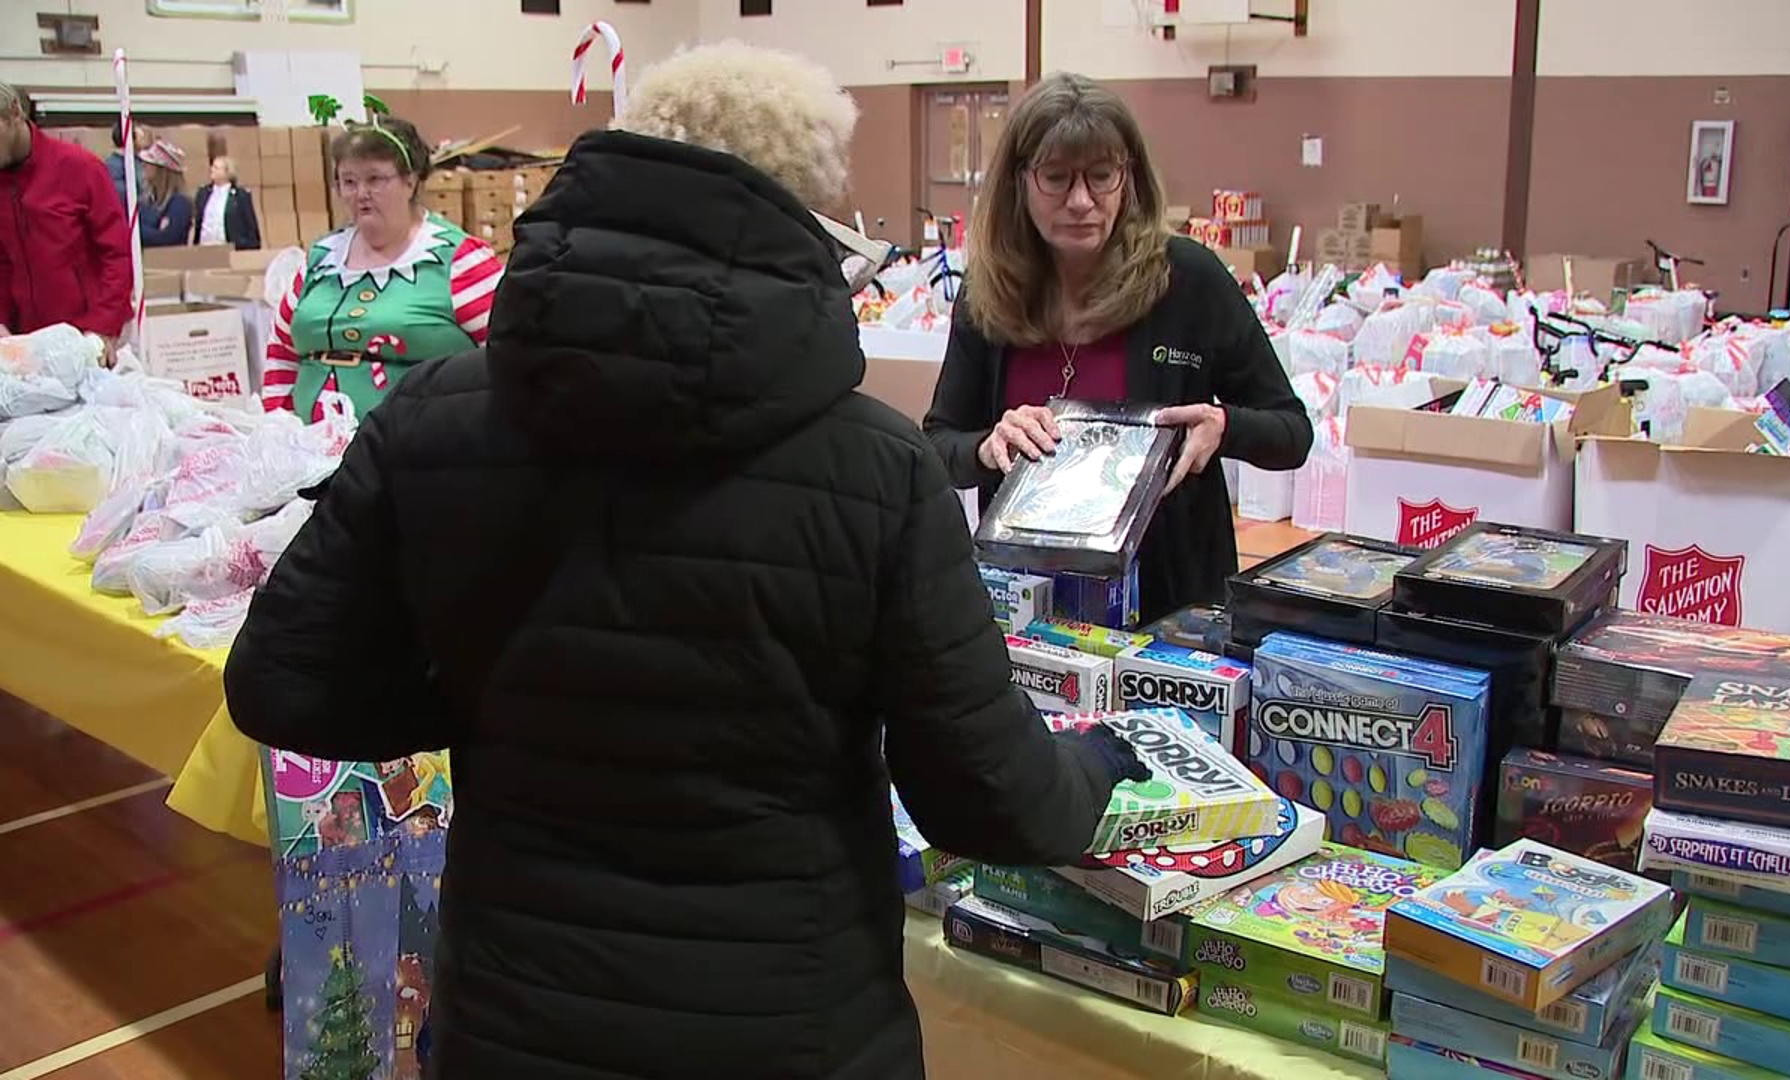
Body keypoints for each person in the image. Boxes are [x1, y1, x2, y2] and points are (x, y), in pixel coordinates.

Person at [224, 42, 1142, 1080]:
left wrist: (488, 697)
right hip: (789, 1029)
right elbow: (992, 798)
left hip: (519, 1023)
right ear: (800, 218)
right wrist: (1102, 765)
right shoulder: (876, 470)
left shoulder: (434, 421)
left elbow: (281, 678)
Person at [923, 73, 1313, 625]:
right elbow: (938, 445)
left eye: (1101, 176)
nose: (1081, 201)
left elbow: (1293, 433)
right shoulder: (987, 295)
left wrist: (1224, 427)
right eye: (1056, 178)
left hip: (1168, 616)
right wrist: (988, 447)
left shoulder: (1189, 280)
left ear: (1128, 178)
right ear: (1019, 182)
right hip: (1025, 614)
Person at [262, 113, 502, 422]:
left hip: (423, 455)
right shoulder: (320, 260)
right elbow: (282, 352)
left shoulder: (461, 261)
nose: (361, 193)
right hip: (311, 454)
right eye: (348, 181)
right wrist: (277, 428)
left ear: (410, 181)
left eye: (375, 179)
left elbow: (510, 358)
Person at [0, 80, 132, 343]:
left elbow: (117, 254)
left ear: (15, 113)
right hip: (23, 342)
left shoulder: (79, 168)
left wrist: (103, 326)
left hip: (88, 335)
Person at [190, 156, 261, 249]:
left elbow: (250, 224)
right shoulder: (203, 193)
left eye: (216, 168)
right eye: (212, 167)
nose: (212, 169)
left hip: (229, 248)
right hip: (204, 246)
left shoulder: (241, 196)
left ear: (228, 172)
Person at [136, 139, 193, 247]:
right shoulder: (147, 199)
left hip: (169, 261)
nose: (143, 166)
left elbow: (167, 238)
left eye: (149, 163)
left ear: (161, 170)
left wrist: (135, 229)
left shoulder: (180, 203)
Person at [103, 121, 149, 207]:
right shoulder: (113, 165)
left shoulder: (139, 161)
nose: (143, 135)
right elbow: (121, 195)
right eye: (139, 134)